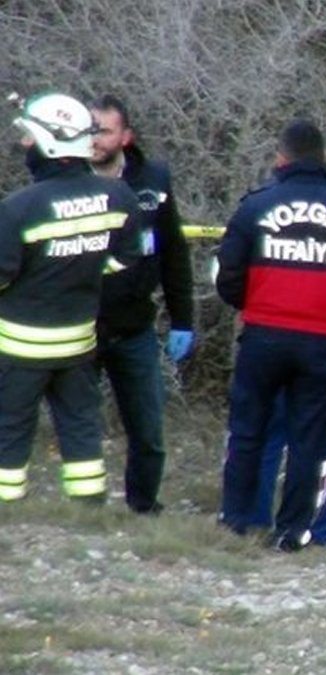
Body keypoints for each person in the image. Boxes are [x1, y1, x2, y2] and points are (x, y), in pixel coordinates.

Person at [214, 119, 326, 551]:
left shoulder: (256, 206)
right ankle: (294, 530)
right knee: (311, 438)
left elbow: (228, 272)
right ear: (322, 157)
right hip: (324, 339)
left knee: (251, 431)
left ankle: (237, 521)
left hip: (264, 335)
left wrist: (249, 305)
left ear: (281, 157)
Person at [0, 92, 142, 503]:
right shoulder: (118, 196)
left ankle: (7, 509)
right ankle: (88, 505)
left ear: (49, 145)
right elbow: (126, 256)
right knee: (81, 425)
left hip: (20, 346)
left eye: (29, 138)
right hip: (79, 340)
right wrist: (83, 273)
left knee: (10, 427)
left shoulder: (18, 208)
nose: (24, 146)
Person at [89, 94, 196, 515]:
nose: (94, 140)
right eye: (89, 129)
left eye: (103, 131)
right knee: (81, 425)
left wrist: (183, 319)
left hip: (134, 327)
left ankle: (144, 504)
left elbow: (174, 253)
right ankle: (85, 506)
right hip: (80, 324)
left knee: (148, 429)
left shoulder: (153, 180)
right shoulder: (66, 181)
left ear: (126, 136)